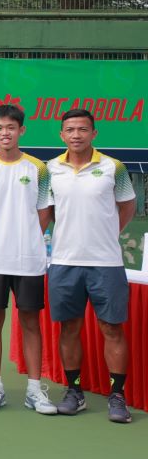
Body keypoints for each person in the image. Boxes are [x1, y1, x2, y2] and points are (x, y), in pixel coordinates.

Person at [46, 108, 137, 423]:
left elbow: (127, 206)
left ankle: (117, 396)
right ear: (62, 135)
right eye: (69, 129)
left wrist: (108, 235)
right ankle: (74, 391)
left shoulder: (114, 167)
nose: (76, 135)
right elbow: (52, 212)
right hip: (64, 262)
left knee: (112, 328)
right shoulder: (50, 169)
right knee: (69, 327)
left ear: (93, 133)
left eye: (82, 129)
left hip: (106, 263)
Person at [0, 104, 57, 415]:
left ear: (22, 130)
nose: (5, 132)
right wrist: (0, 233)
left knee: (31, 322)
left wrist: (25, 238)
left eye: (11, 127)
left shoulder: (39, 168)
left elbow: (44, 211)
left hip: (29, 259)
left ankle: (35, 390)